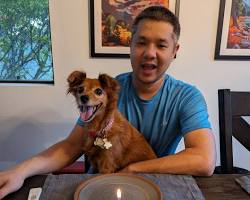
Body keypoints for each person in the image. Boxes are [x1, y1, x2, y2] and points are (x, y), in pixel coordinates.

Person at [0, 6, 216, 199]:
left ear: (174, 51)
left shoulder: (186, 97)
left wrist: (133, 170)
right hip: (94, 187)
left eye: (161, 45)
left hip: (148, 187)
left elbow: (204, 160)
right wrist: (21, 171)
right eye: (141, 42)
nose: (150, 53)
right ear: (130, 44)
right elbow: (71, 146)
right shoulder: (106, 92)